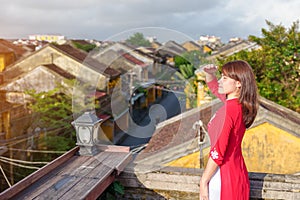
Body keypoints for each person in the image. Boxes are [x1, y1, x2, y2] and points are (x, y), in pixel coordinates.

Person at [199, 60, 259, 200]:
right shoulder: (238, 105)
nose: (220, 81)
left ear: (238, 83)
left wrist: (203, 181)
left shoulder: (229, 110)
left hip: (222, 177)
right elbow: (215, 87)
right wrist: (210, 74)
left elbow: (218, 152)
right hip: (237, 174)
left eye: (224, 78)